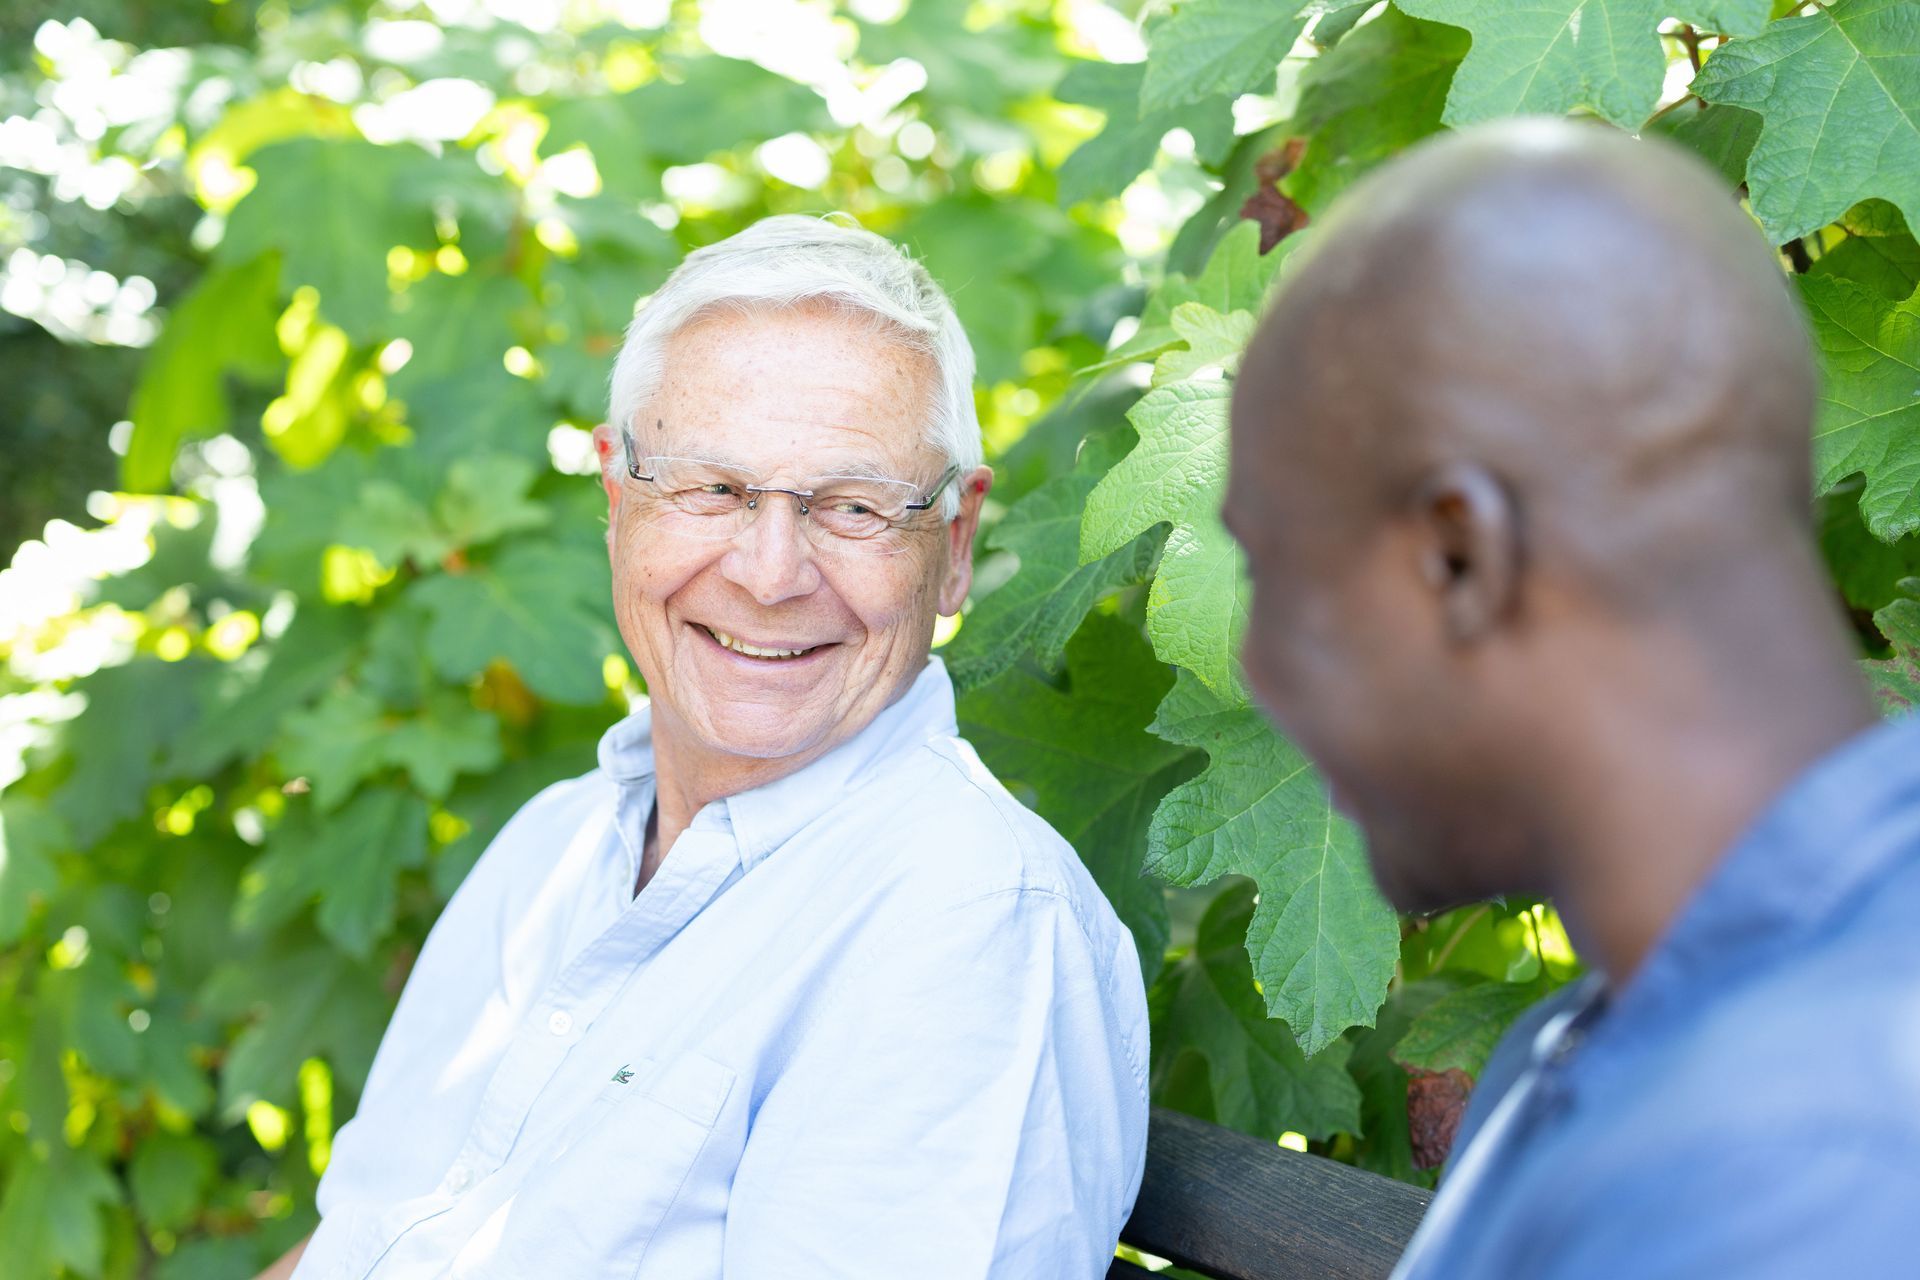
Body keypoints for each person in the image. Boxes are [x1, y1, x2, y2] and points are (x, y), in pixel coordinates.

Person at [269, 216, 1149, 1280]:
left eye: (854, 505)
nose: (771, 571)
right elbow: (355, 1243)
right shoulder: (554, 846)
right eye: (712, 489)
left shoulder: (962, 922)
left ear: (954, 545)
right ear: (616, 501)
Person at [1225, 118, 1919, 1276]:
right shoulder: (1591, 1039)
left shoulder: (1807, 1171)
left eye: (1282, 571)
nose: (1255, 664)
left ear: (1461, 556)